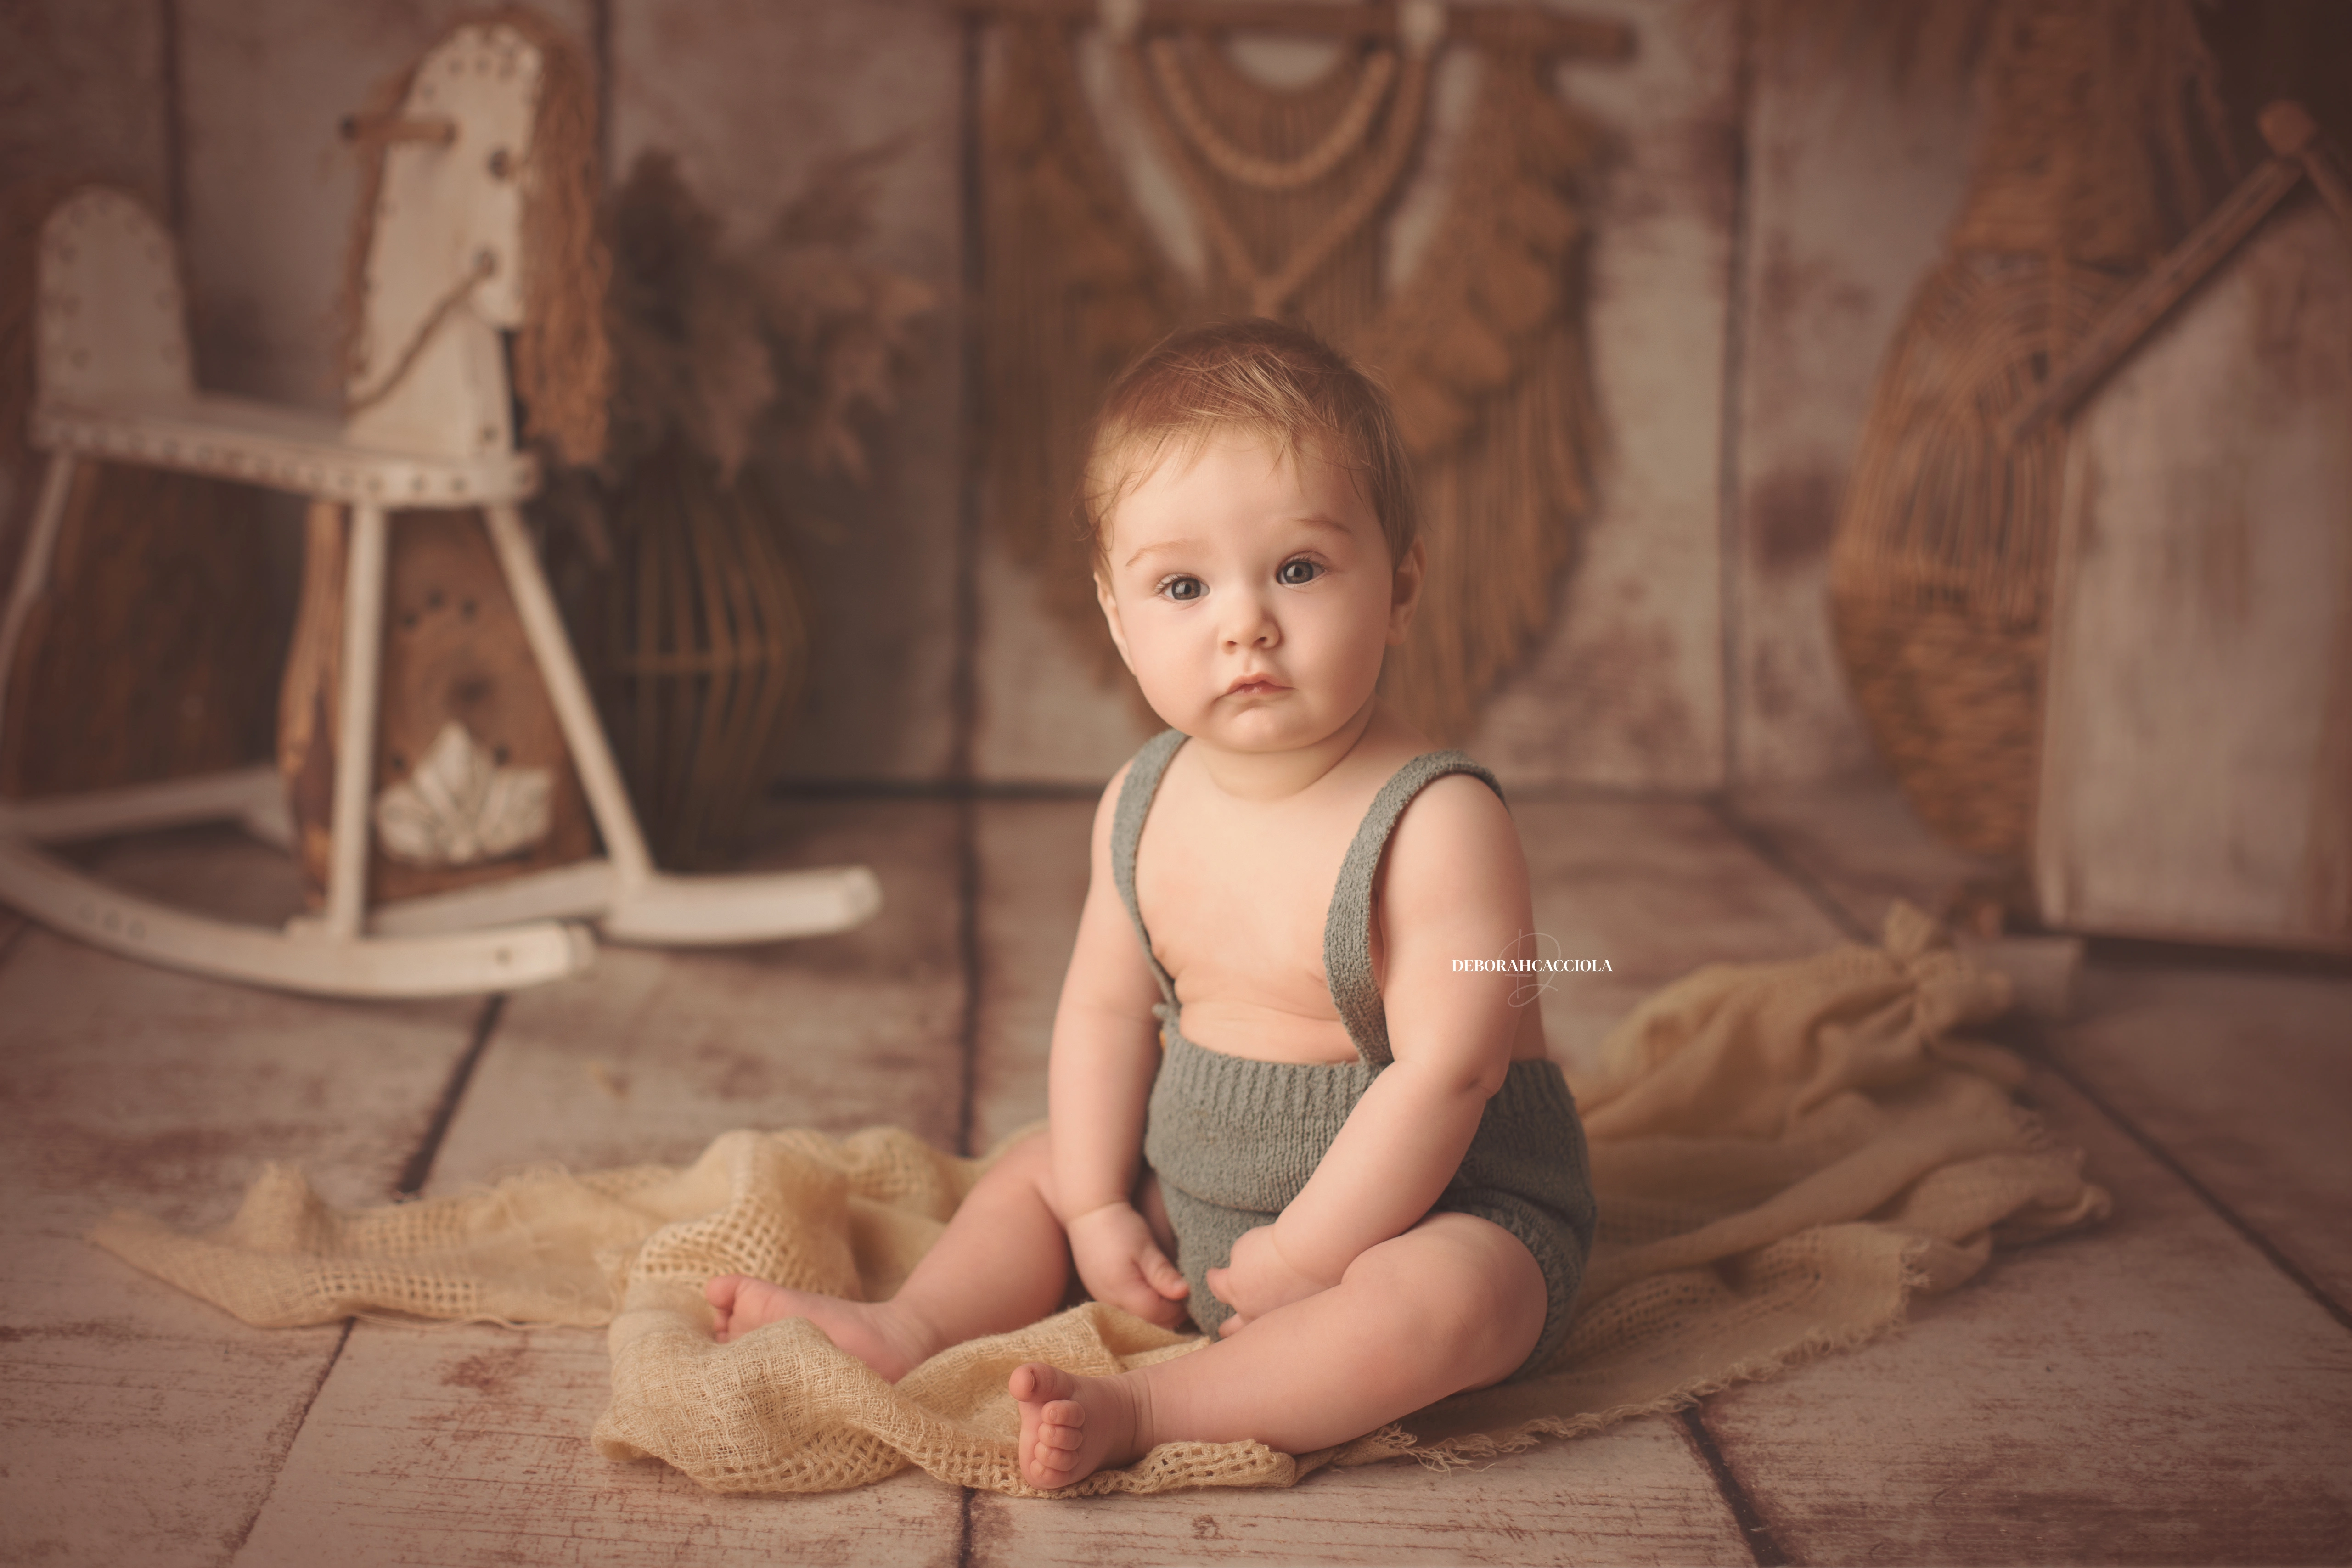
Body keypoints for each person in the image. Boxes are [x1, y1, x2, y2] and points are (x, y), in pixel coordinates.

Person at [706, 318, 1595, 1489]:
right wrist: (1091, 1211)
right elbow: (1104, 1014)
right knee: (1038, 1162)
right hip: (1200, 1196)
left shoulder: (1437, 824)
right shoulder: (1140, 798)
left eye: (1298, 568)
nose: (1245, 624)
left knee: (1444, 1305)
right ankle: (910, 1329)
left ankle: (1151, 1408)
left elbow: (1449, 1076)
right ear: (1119, 620)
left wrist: (1314, 1253)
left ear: (1401, 586)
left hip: (1434, 1205)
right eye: (1182, 585)